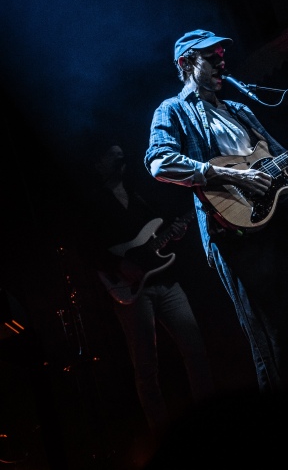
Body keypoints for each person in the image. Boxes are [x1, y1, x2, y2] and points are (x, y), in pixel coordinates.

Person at [144, 28, 288, 399]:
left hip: (281, 223)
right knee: (270, 338)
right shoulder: (172, 110)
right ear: (185, 63)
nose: (222, 60)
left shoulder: (240, 109)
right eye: (211, 56)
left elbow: (281, 157)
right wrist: (226, 173)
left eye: (222, 54)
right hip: (235, 234)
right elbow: (159, 162)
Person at [78, 137, 215, 443]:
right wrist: (118, 266)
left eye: (122, 157)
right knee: (146, 366)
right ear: (99, 163)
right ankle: (160, 436)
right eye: (115, 158)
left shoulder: (138, 193)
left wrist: (174, 232)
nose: (121, 161)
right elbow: (86, 249)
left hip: (165, 281)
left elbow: (157, 230)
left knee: (195, 350)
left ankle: (209, 418)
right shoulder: (92, 202)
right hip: (131, 289)